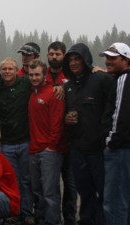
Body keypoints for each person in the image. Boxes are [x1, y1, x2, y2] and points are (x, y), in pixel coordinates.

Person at [62, 43, 113, 225]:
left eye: (77, 59)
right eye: (70, 60)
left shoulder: (101, 79)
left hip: (99, 149)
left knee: (104, 192)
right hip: (77, 148)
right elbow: (65, 115)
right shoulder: (68, 87)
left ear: (86, 60)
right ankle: (85, 221)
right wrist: (66, 120)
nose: (74, 63)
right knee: (84, 192)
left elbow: (117, 103)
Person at [0, 57, 34, 225]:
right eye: (4, 69)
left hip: (25, 140)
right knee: (12, 181)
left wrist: (56, 87)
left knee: (26, 179)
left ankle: (27, 213)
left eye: (11, 69)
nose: (7, 72)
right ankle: (14, 212)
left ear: (17, 70)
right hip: (6, 142)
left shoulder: (25, 83)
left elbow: (42, 81)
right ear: (0, 71)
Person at [28, 59, 65, 225]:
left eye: (37, 74)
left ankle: (53, 221)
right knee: (37, 190)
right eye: (31, 74)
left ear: (45, 75)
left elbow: (57, 123)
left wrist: (52, 146)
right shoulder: (32, 92)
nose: (34, 77)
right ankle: (41, 220)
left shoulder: (53, 93)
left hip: (49, 151)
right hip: (34, 149)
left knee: (50, 193)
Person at [46, 41, 77, 225]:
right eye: (51, 54)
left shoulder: (73, 75)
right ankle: (52, 219)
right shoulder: (43, 75)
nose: (54, 57)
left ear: (63, 55)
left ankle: (71, 219)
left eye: (58, 54)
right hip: (49, 141)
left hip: (70, 140)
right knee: (50, 186)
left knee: (71, 184)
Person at [99, 42, 130, 225]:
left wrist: (110, 142)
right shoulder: (118, 78)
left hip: (120, 150)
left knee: (114, 201)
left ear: (125, 60)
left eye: (113, 58)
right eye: (107, 57)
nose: (108, 61)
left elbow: (120, 114)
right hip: (124, 148)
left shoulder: (123, 79)